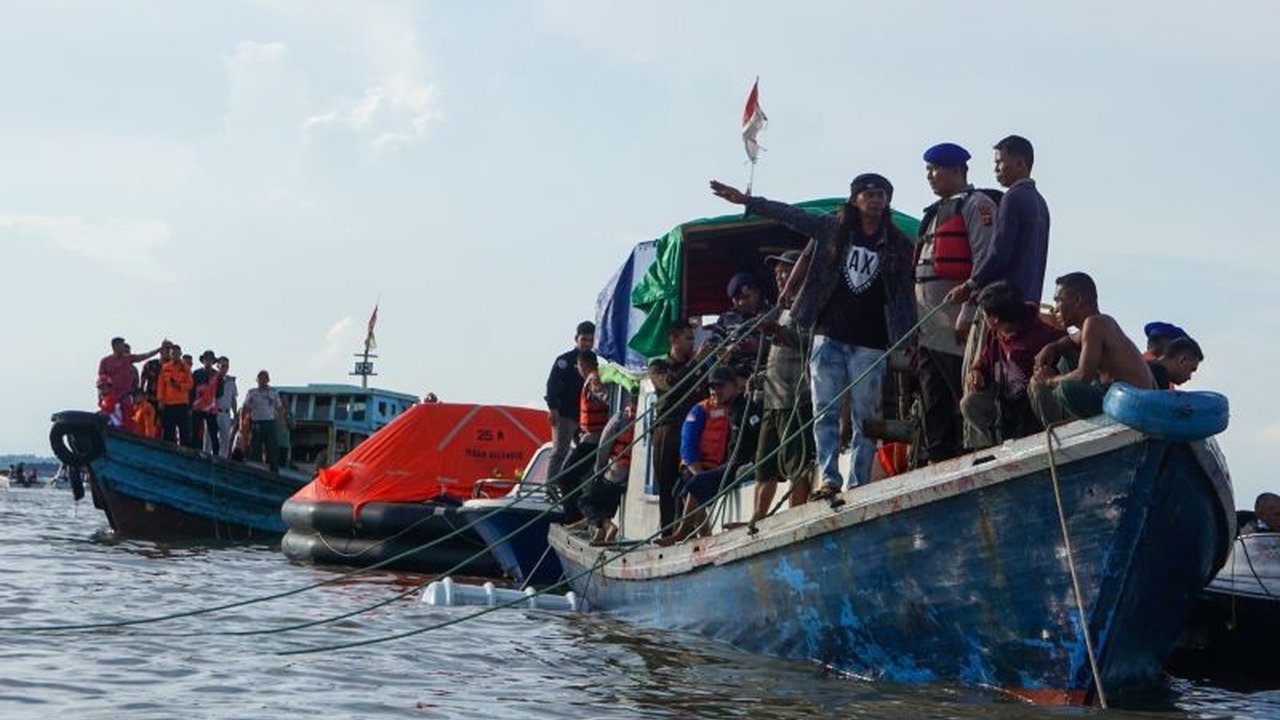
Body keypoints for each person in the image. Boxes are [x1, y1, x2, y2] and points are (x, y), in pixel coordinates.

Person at [710, 172, 915, 499]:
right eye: (868, 193)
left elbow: (904, 294)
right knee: (825, 412)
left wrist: (907, 336)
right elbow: (791, 215)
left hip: (871, 343)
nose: (875, 199)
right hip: (828, 336)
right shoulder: (832, 229)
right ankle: (830, 478)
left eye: (881, 194)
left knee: (866, 418)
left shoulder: (899, 244)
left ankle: (859, 482)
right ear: (855, 199)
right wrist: (748, 201)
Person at [914, 143, 1001, 462]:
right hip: (928, 326)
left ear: (955, 170)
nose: (929, 176)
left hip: (956, 325)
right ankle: (939, 457)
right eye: (927, 170)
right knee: (932, 398)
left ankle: (980, 453)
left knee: (964, 392)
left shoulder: (977, 205)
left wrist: (969, 311)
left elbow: (985, 258)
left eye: (934, 169)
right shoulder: (935, 213)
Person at [1030, 272, 1155, 424]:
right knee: (1061, 361)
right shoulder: (1094, 326)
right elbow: (1072, 340)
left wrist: (1050, 379)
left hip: (1130, 404)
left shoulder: (1095, 323)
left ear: (1077, 300)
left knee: (1066, 388)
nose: (1055, 309)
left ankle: (1067, 426)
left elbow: (1084, 376)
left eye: (1058, 301)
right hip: (1117, 399)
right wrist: (1053, 347)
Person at [657, 365, 762, 545]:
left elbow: (759, 432)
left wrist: (754, 462)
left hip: (735, 464)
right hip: (712, 466)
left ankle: (683, 534)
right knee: (683, 487)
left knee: (696, 483)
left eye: (720, 386)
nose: (716, 391)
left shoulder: (744, 408)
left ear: (734, 385)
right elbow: (688, 447)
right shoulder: (706, 410)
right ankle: (703, 535)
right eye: (713, 387)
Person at [746, 251, 814, 522]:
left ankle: (794, 518)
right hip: (772, 399)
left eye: (785, 270)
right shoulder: (781, 308)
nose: (780, 276)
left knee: (797, 465)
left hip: (796, 400)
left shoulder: (810, 306)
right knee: (765, 466)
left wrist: (780, 333)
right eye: (777, 273)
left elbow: (815, 345)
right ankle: (757, 519)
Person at [945, 135, 1051, 308]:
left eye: (1000, 162)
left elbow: (1000, 253)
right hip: (1030, 299)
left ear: (1019, 163)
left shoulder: (1012, 198)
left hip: (1007, 302)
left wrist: (970, 285)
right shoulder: (1040, 202)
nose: (996, 169)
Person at [960, 281, 1067, 448]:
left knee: (1037, 388)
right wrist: (976, 372)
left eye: (985, 314)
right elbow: (985, 360)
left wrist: (1054, 351)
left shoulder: (1043, 335)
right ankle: (989, 449)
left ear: (994, 318)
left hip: (1033, 407)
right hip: (1006, 404)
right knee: (970, 403)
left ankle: (1056, 440)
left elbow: (1071, 342)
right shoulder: (995, 335)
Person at [647, 320, 707, 535]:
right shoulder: (657, 366)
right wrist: (696, 364)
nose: (692, 344)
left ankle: (690, 530)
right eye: (688, 338)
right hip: (668, 430)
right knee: (666, 484)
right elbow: (672, 385)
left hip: (693, 430)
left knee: (688, 482)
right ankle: (669, 533)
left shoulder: (699, 364)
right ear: (673, 339)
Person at [554, 350, 610, 525]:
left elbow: (604, 396)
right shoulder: (593, 378)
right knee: (579, 478)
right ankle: (584, 516)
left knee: (565, 478)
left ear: (581, 366)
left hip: (594, 441)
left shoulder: (593, 380)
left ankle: (576, 519)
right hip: (590, 438)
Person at [580, 397, 636, 546]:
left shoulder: (620, 418)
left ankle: (608, 527)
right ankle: (602, 532)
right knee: (607, 506)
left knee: (586, 501)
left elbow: (604, 445)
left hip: (615, 473)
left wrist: (599, 471)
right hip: (630, 478)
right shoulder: (644, 418)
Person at [544, 321, 595, 477]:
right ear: (576, 338)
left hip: (585, 415)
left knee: (586, 453)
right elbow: (552, 385)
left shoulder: (595, 362)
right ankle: (551, 488)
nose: (587, 343)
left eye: (591, 340)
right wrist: (553, 409)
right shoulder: (564, 361)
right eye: (584, 339)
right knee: (560, 452)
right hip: (565, 414)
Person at [97, 337, 164, 426]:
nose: (123, 347)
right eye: (121, 345)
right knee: (109, 418)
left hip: (125, 397)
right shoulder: (105, 361)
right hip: (110, 398)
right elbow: (101, 381)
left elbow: (144, 356)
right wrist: (99, 397)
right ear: (114, 346)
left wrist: (158, 350)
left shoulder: (127, 358)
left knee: (128, 420)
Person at [242, 370, 284, 472]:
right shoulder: (252, 392)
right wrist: (243, 422)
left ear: (268, 380)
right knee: (255, 447)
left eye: (265, 378)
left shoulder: (273, 392)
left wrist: (282, 422)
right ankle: (255, 468)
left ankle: (274, 469)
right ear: (257, 380)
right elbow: (246, 407)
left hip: (269, 422)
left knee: (272, 446)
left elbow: (279, 408)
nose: (262, 380)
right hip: (256, 422)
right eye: (260, 378)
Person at [157, 344, 195, 447]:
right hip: (168, 404)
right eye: (173, 353)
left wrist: (179, 386)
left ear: (180, 354)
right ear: (170, 354)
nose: (175, 355)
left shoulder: (185, 368)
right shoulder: (165, 367)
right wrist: (160, 400)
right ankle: (169, 450)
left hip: (182, 403)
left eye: (177, 354)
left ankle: (186, 452)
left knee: (184, 431)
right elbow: (161, 385)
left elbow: (190, 385)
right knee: (169, 431)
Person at [191, 350, 222, 455]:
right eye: (206, 359)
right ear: (203, 360)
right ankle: (193, 452)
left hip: (211, 408)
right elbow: (191, 390)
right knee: (194, 431)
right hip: (197, 406)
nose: (208, 361)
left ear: (213, 361)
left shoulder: (217, 375)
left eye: (210, 359)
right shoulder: (196, 373)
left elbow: (220, 393)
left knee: (213, 432)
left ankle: (216, 454)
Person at [214, 356, 239, 458]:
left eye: (226, 366)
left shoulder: (231, 381)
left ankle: (222, 459)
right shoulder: (213, 378)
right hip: (214, 412)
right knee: (210, 438)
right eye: (222, 365)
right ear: (218, 366)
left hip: (226, 413)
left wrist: (235, 412)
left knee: (225, 439)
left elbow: (233, 398)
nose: (225, 368)